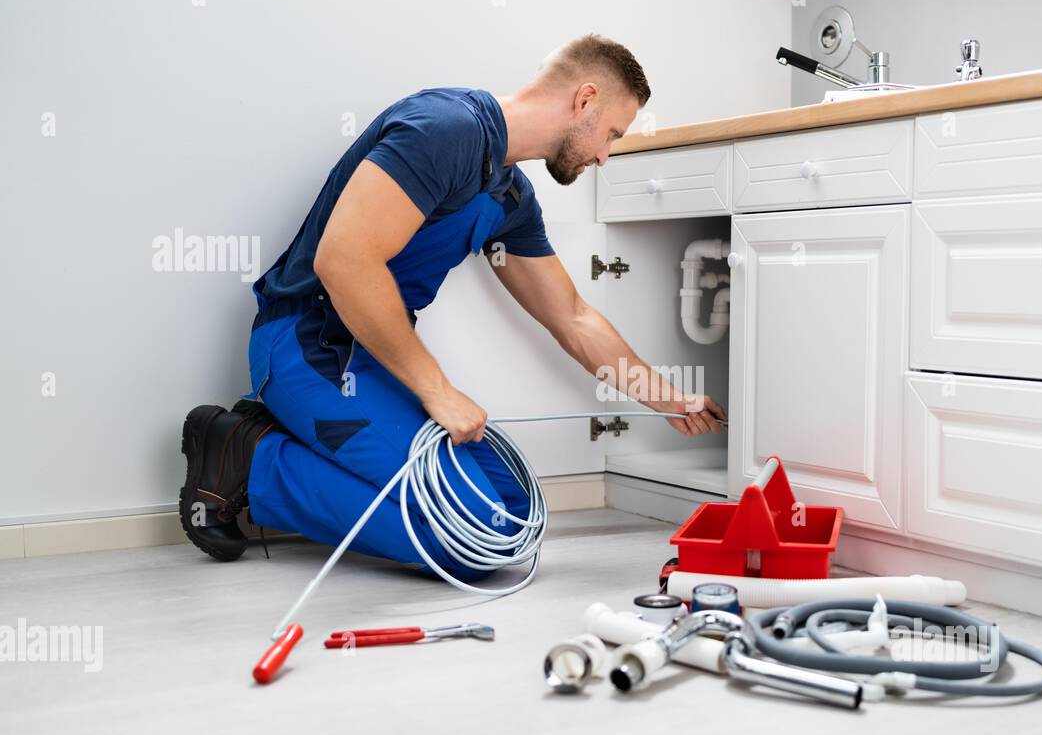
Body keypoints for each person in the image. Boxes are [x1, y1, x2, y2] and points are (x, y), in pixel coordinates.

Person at [178, 34, 726, 579]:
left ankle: (297, 443)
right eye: (611, 134)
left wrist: (668, 398)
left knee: (510, 515)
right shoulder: (445, 129)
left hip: (374, 362)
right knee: (468, 539)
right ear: (584, 99)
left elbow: (572, 317)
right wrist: (438, 391)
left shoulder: (510, 196)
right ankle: (251, 460)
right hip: (305, 345)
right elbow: (343, 263)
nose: (605, 155)